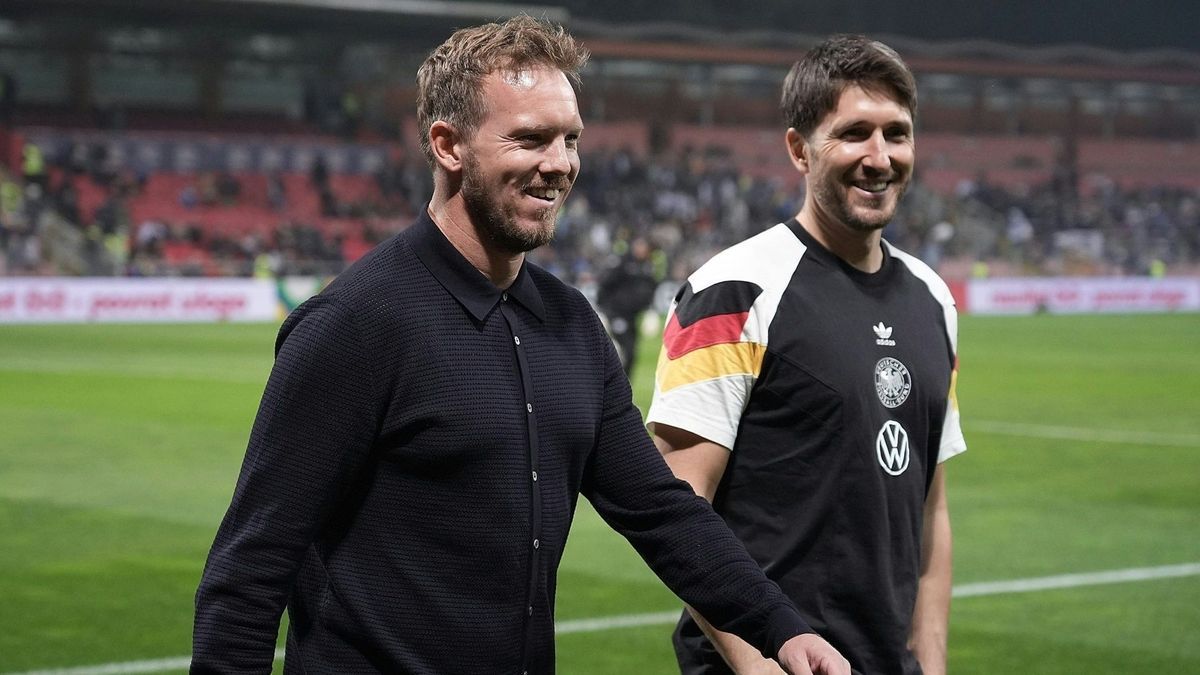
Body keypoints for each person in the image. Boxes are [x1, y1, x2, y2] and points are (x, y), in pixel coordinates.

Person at [191, 16, 848, 675]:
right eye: (531, 138)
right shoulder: (356, 323)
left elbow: (660, 510)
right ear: (448, 146)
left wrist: (781, 626)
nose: (559, 164)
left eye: (570, 139)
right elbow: (251, 567)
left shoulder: (571, 325)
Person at [648, 35, 966, 675]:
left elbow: (931, 511)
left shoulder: (933, 298)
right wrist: (755, 662)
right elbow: (678, 508)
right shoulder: (732, 291)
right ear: (799, 149)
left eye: (896, 134)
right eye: (854, 133)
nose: (880, 157)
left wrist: (930, 664)